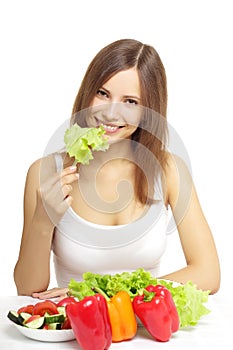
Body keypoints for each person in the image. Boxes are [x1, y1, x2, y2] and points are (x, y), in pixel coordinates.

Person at [14, 38, 220, 299]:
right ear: (87, 92)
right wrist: (43, 222)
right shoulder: (45, 171)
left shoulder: (168, 170)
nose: (112, 113)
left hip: (145, 331)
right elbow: (27, 290)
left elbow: (208, 273)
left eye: (131, 102)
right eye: (103, 93)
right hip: (76, 333)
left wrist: (105, 291)